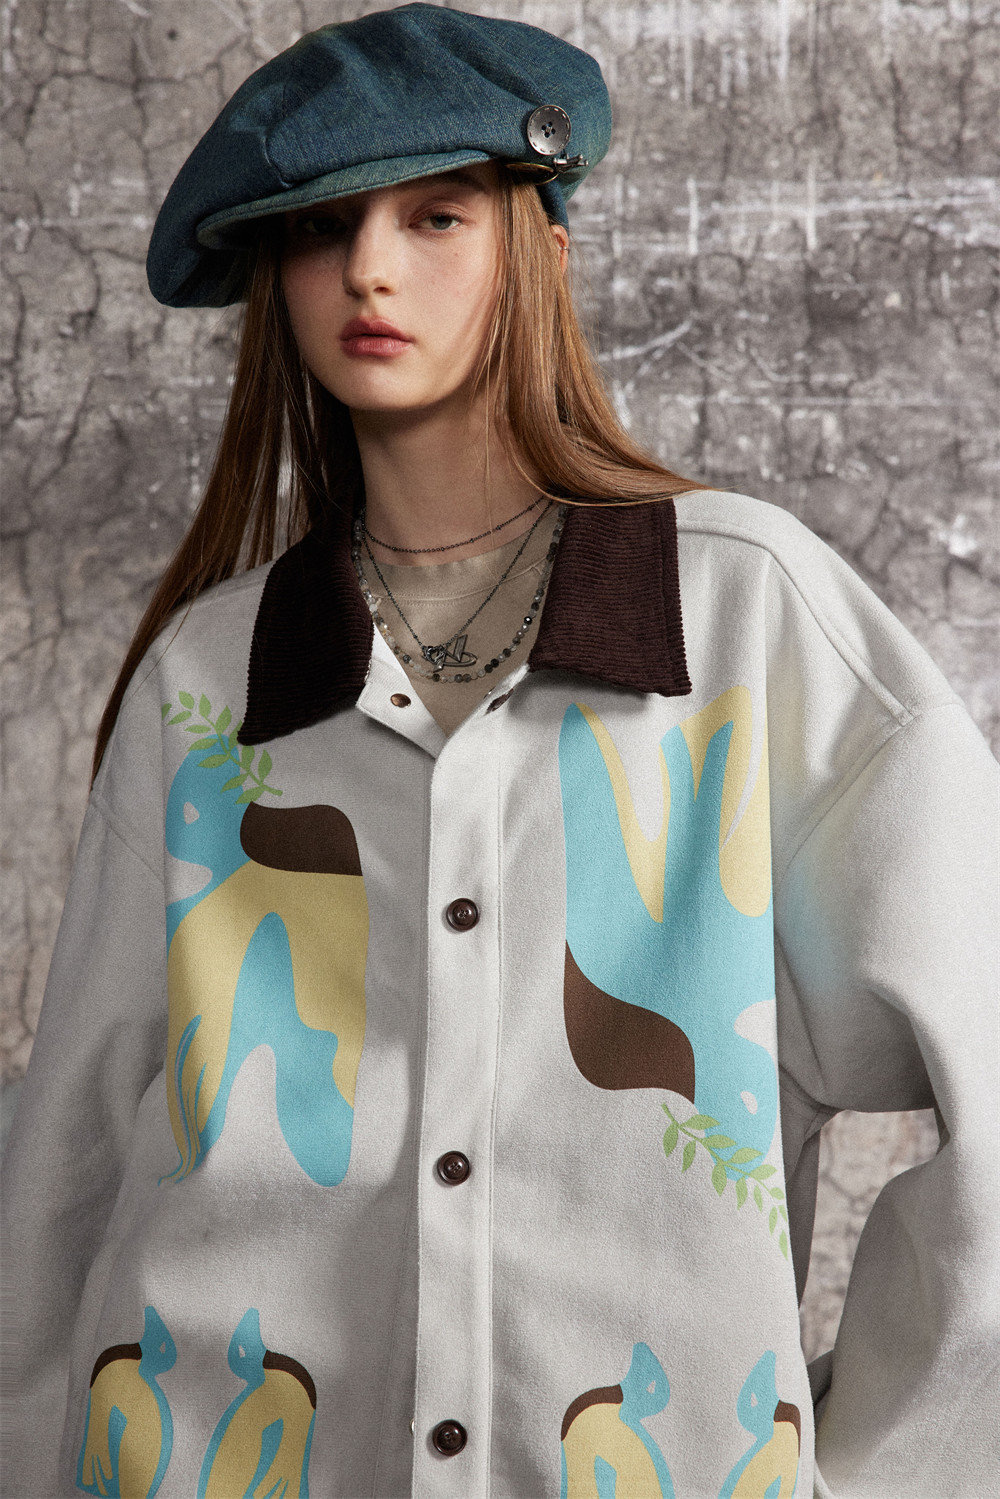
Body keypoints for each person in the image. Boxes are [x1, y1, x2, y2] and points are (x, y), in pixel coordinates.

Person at [2, 6, 996, 1497]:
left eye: (437, 215)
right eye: (322, 228)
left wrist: (893, 1473)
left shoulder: (746, 618)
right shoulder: (208, 678)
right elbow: (69, 1167)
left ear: (541, 249)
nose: (371, 269)